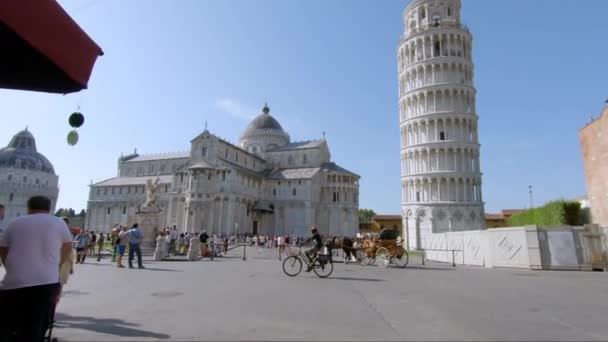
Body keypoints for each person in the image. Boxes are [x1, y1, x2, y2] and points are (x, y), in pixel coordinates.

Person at [0, 196, 73, 341]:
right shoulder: (58, 223)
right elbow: (68, 246)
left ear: (29, 208)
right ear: (49, 208)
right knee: (37, 322)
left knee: (8, 321)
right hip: (46, 281)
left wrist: (9, 265)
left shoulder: (15, 223)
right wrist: (57, 264)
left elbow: (3, 249)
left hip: (14, 282)